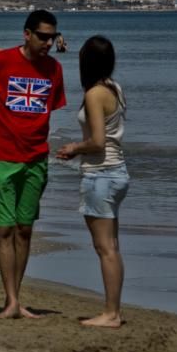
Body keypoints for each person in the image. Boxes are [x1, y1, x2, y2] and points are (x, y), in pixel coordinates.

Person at [0, 9, 66, 319]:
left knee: (25, 229)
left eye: (52, 37)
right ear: (27, 34)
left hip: (35, 158)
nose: (48, 43)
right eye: (42, 37)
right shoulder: (0, 62)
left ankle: (16, 298)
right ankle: (10, 300)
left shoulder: (54, 69)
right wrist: (0, 125)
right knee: (4, 229)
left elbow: (47, 109)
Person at [56, 36, 129, 328]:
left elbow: (98, 141)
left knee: (105, 247)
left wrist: (74, 148)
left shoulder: (94, 94)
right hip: (117, 172)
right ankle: (114, 310)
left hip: (101, 173)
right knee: (111, 245)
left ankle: (111, 313)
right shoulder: (114, 88)